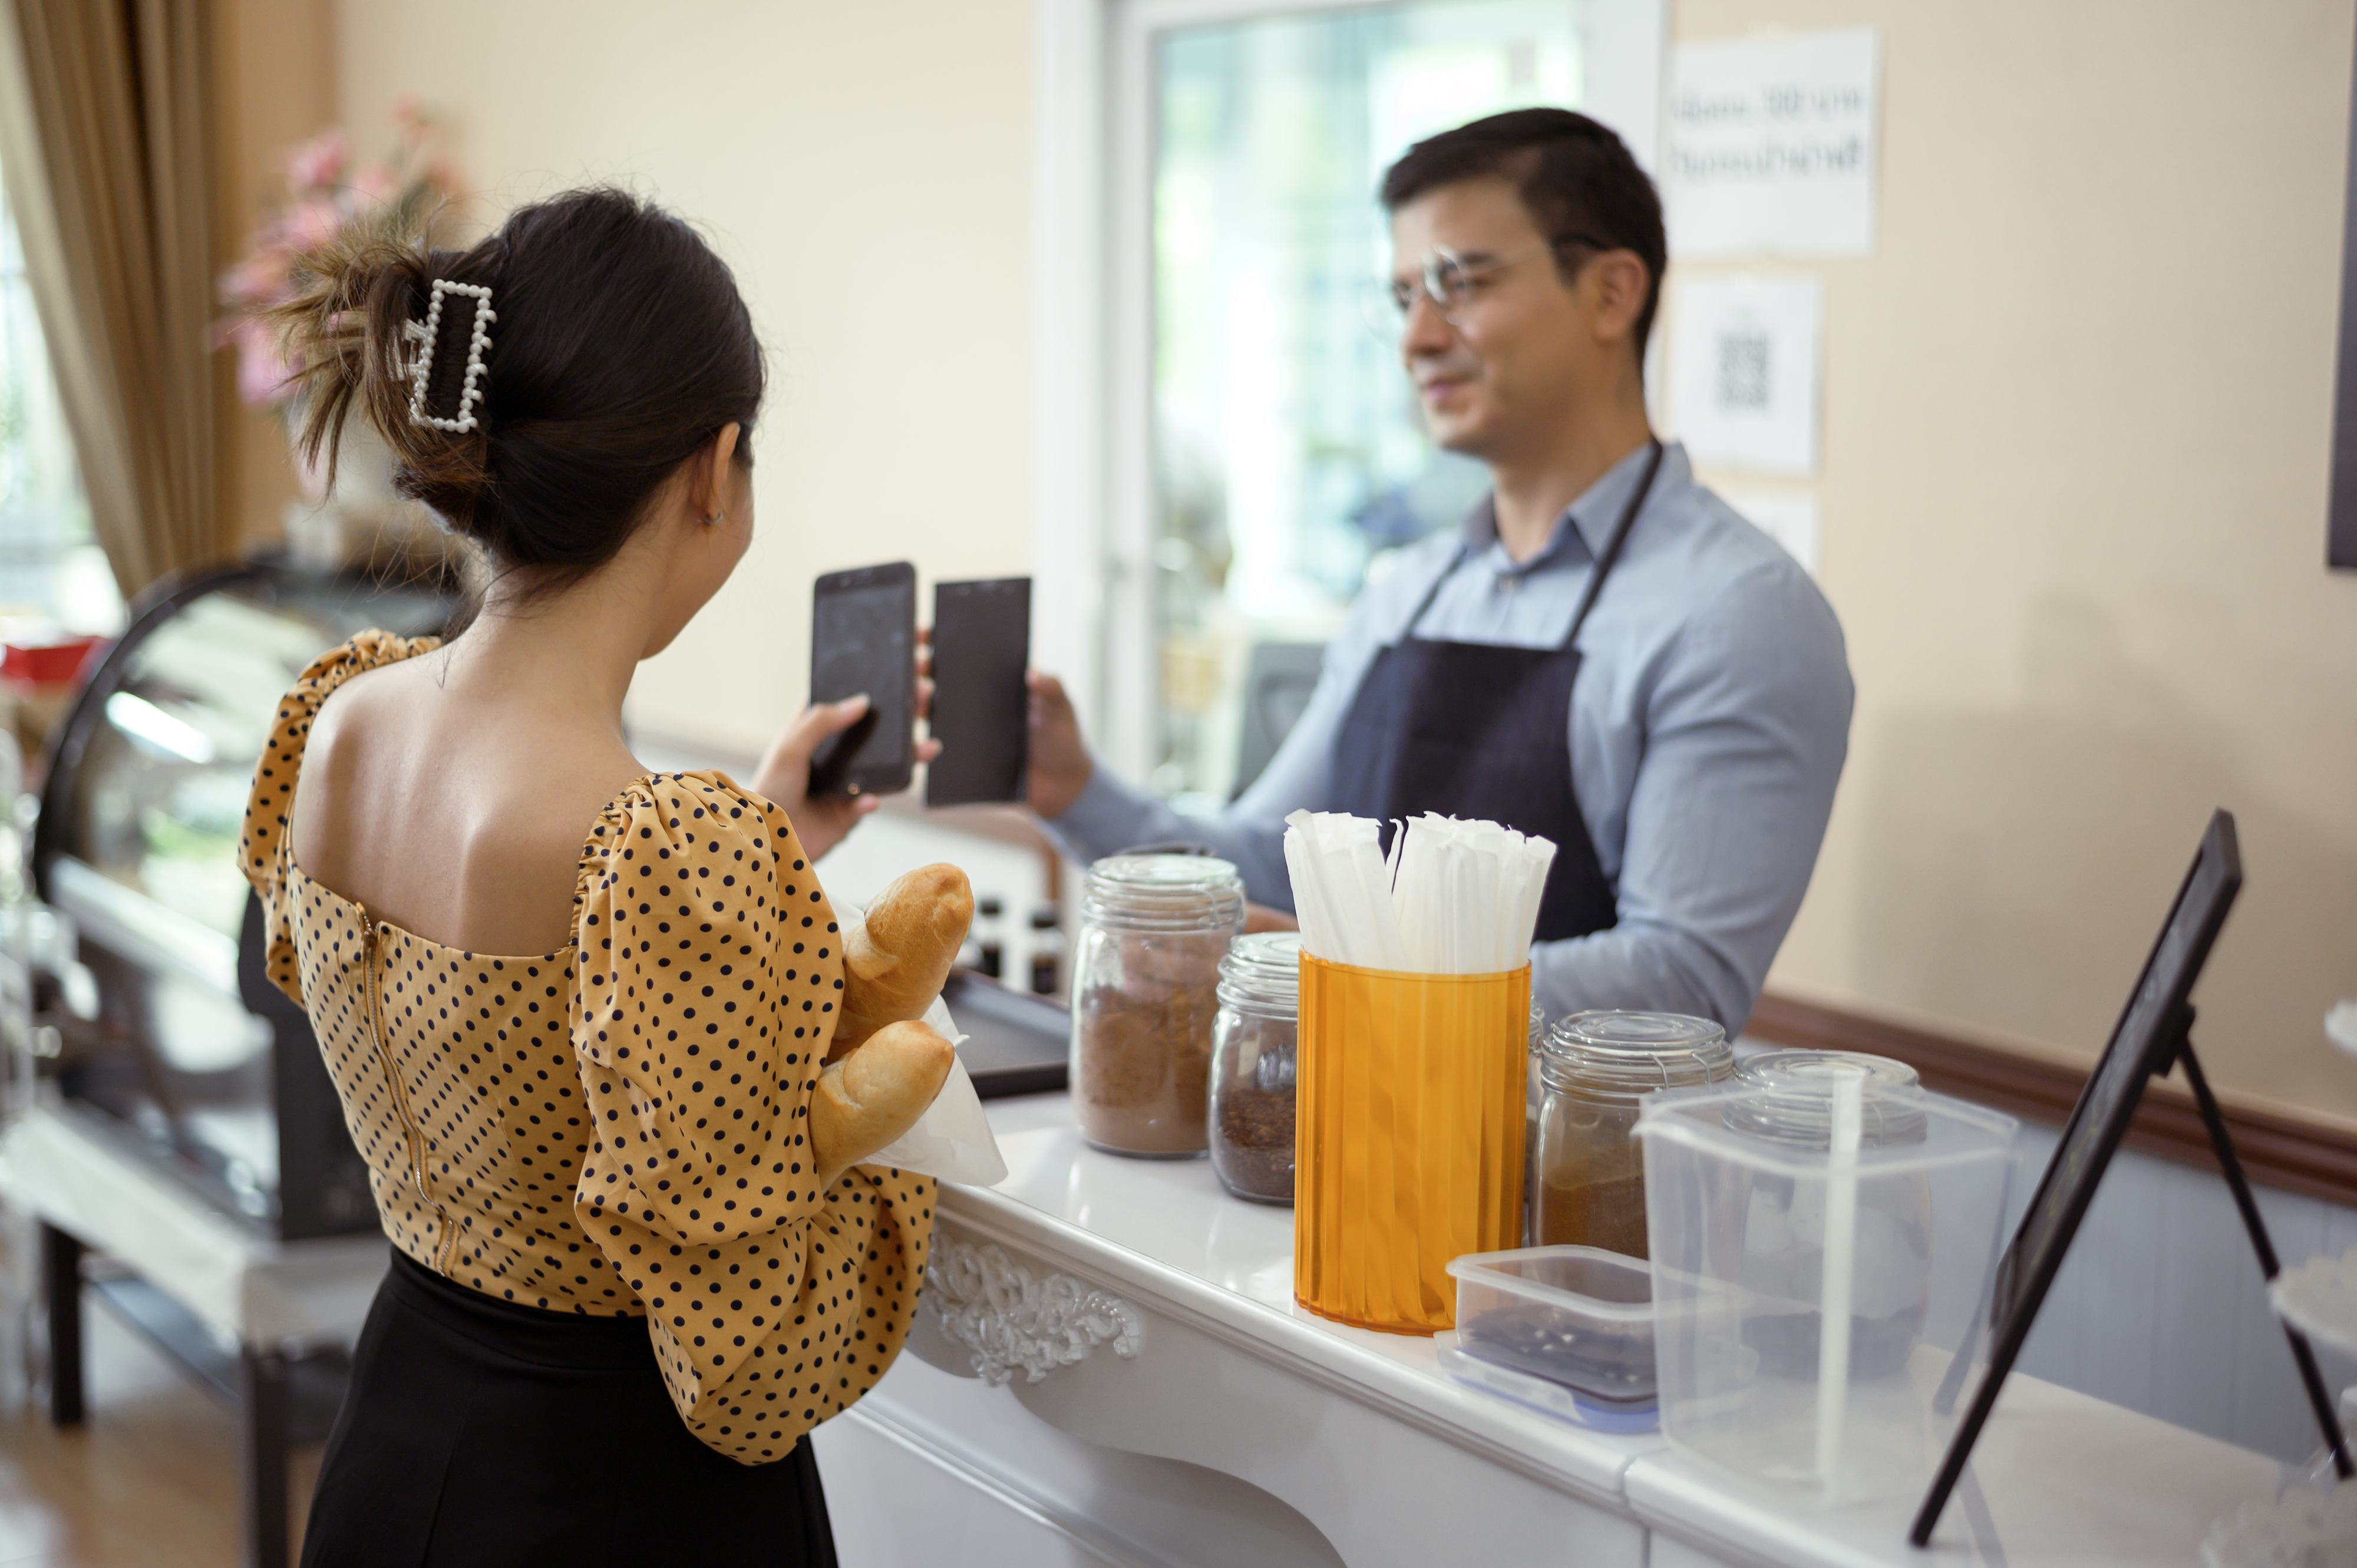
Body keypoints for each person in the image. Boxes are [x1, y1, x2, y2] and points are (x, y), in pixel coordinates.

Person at [242, 188, 938, 1567]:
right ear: (711, 467)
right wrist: (890, 1150)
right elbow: (753, 1373)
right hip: (614, 1501)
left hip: (399, 1436)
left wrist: (762, 853)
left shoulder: (340, 721)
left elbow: (520, 1038)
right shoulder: (663, 850)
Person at [1026, 108, 1853, 1032]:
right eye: (1404, 295)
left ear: (1613, 294)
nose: (1418, 337)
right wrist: (1074, 790)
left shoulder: (1738, 615)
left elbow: (1678, 985)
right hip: (1348, 1150)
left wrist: (1345, 976)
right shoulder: (1407, 590)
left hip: (1562, 1172)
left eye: (1459, 282)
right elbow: (1266, 858)